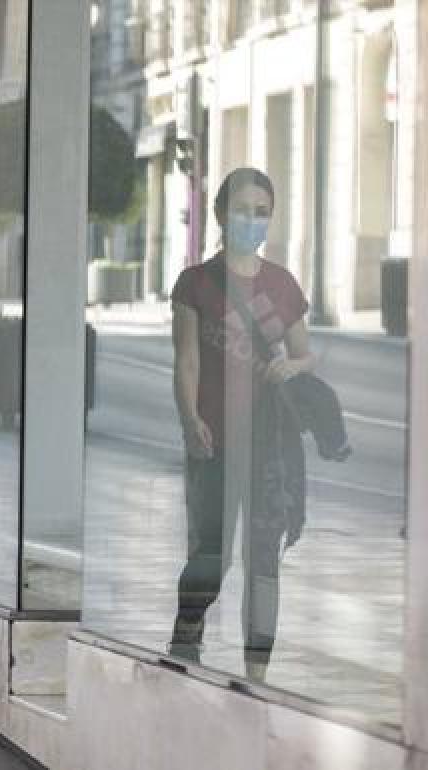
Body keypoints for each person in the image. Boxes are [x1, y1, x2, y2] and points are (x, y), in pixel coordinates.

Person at [167, 167, 312, 682]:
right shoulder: (197, 284)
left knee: (263, 560)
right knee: (213, 555)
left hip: (268, 446)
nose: (252, 220)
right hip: (215, 441)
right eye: (243, 210)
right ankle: (186, 635)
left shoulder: (282, 284)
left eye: (262, 212)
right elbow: (186, 361)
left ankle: (257, 673)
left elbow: (303, 355)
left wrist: (291, 367)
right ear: (221, 214)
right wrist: (190, 420)